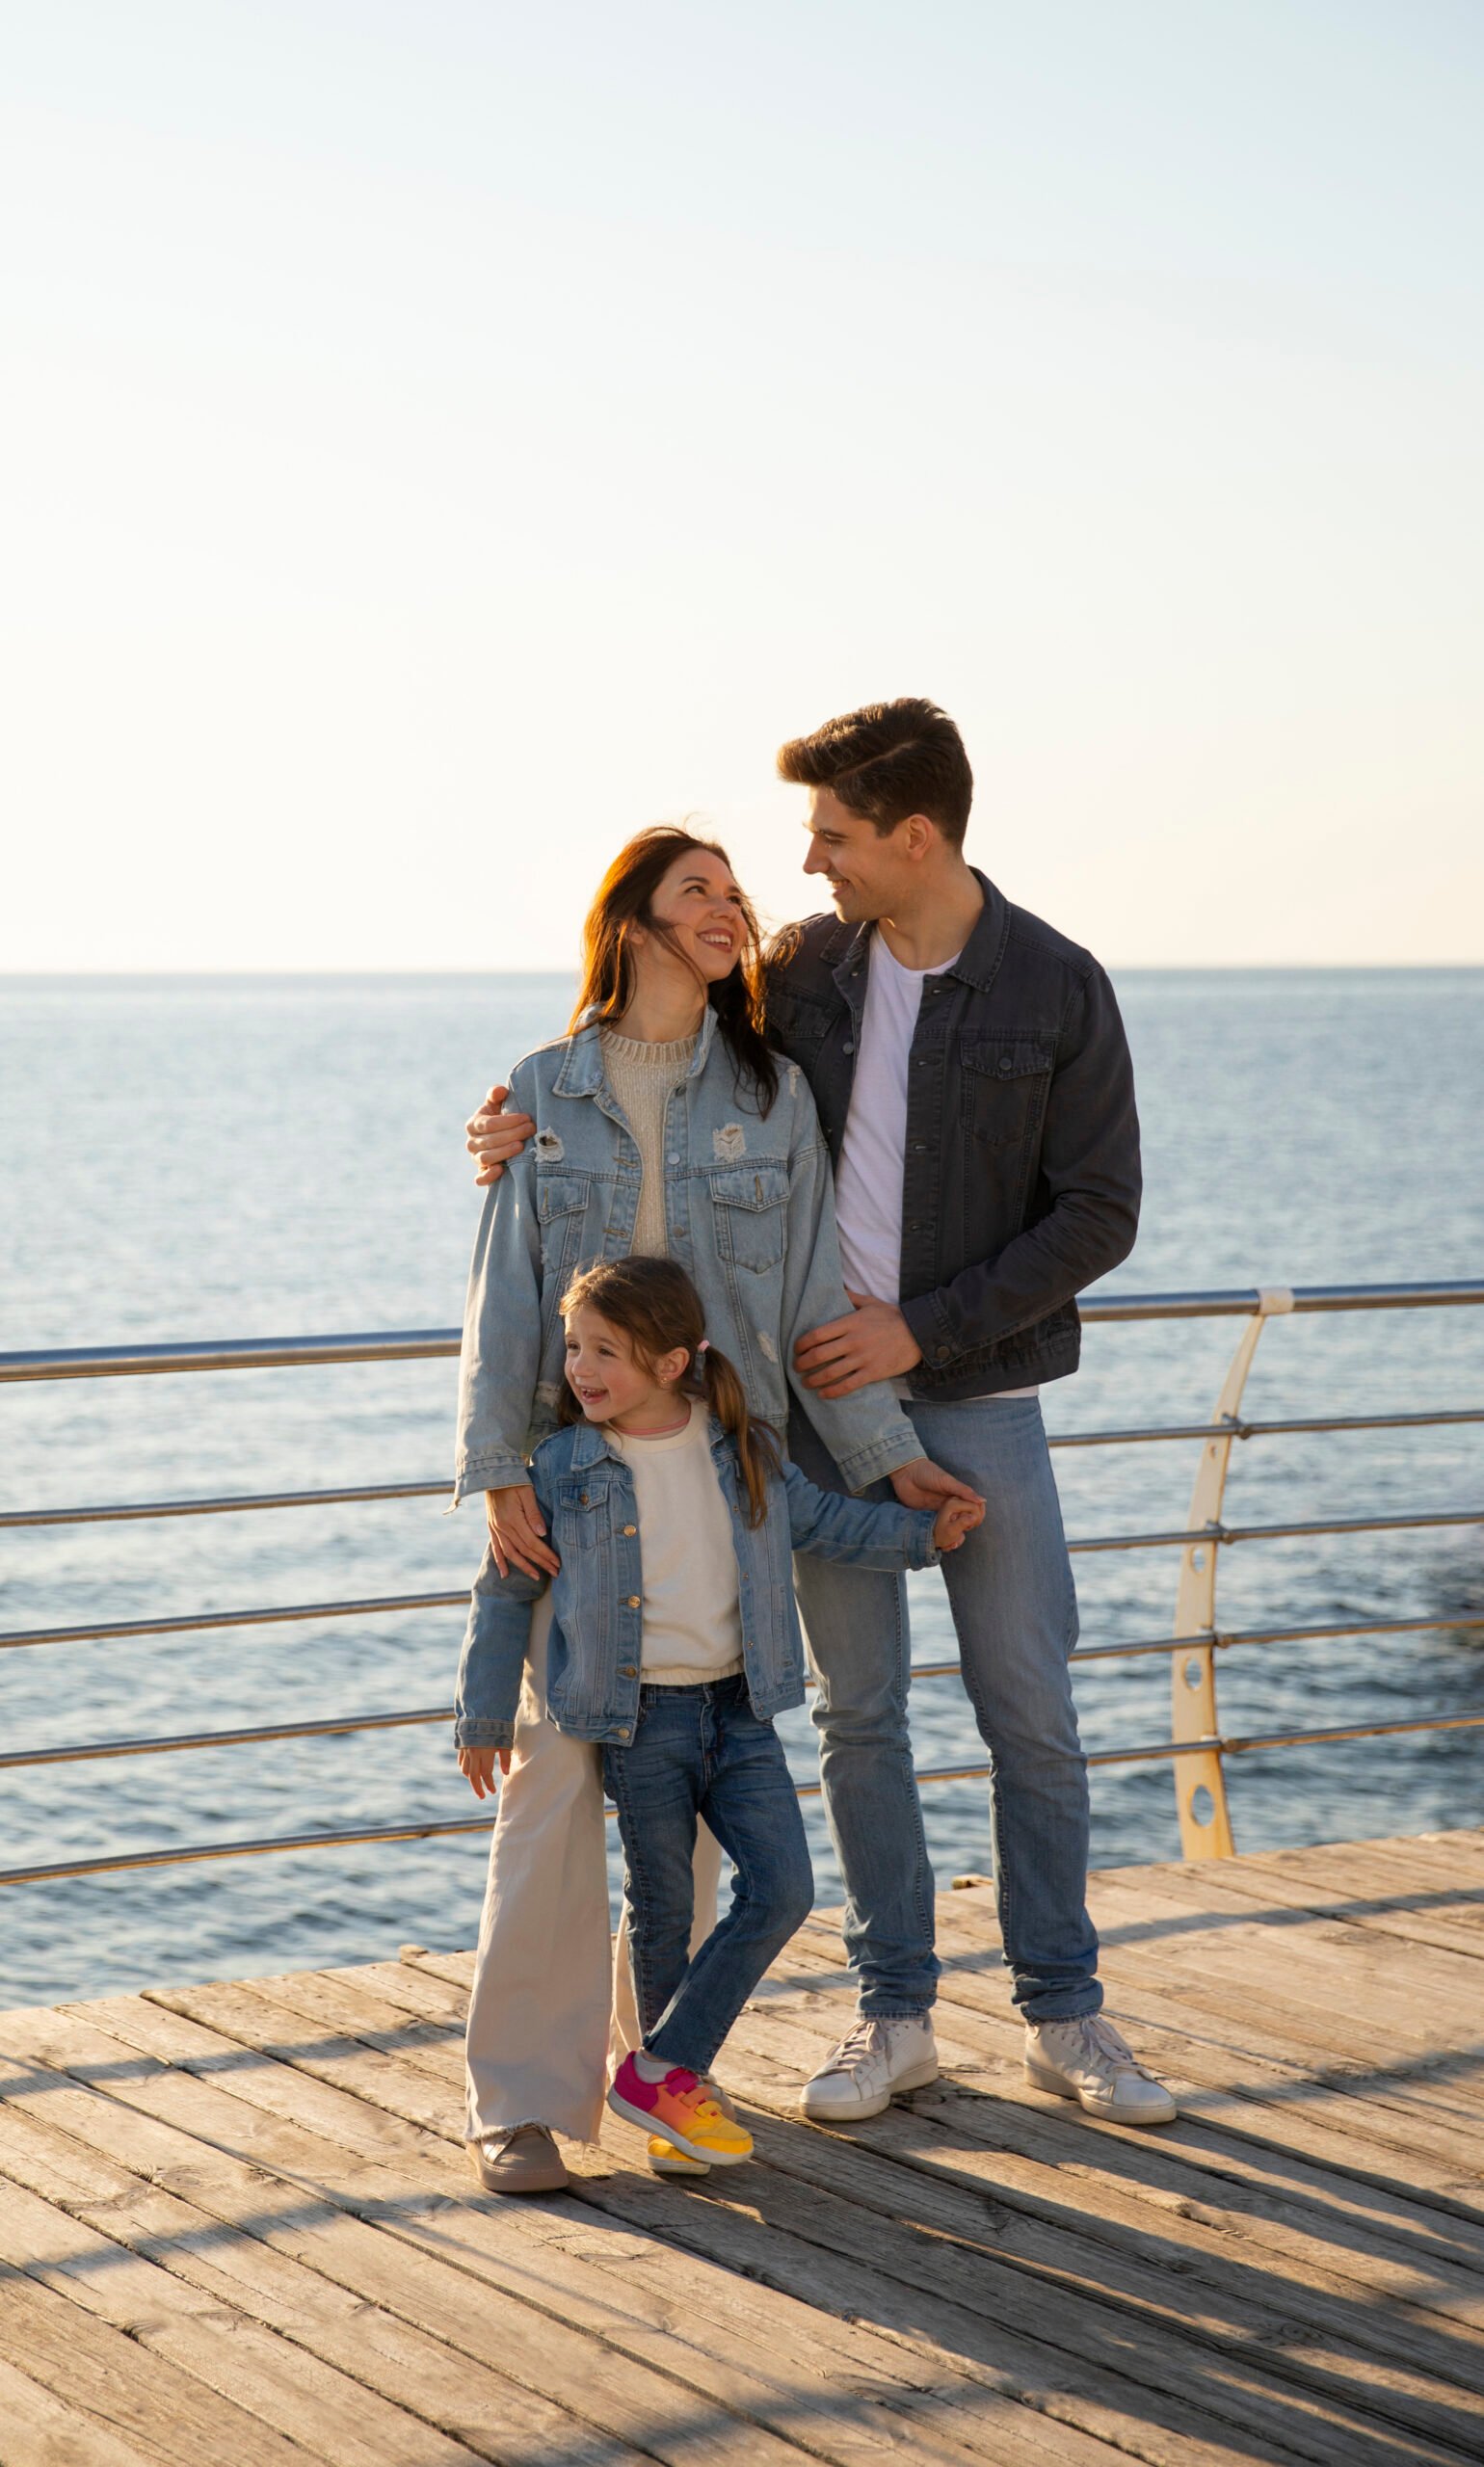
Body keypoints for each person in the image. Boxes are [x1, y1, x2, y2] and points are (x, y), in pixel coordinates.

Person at [468, 698, 1178, 2132]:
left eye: (833, 838)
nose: (804, 869)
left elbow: (1102, 1211)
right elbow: (633, 1078)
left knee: (1029, 1706)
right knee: (857, 1718)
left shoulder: (1056, 986)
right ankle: (895, 2012)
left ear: (914, 836)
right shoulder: (808, 974)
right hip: (785, 1408)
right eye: (789, 848)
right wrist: (503, 1128)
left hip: (967, 1393)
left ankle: (1065, 2010)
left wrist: (921, 1329)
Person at [453, 821, 976, 2194]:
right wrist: (500, 1467)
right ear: (630, 922)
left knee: (679, 1820)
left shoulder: (770, 1091)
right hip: (573, 1490)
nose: (731, 910)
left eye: (737, 895)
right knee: (553, 1795)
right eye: (700, 892)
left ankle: (666, 2084)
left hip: (723, 1484)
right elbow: (506, 1298)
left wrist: (882, 1454)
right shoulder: (543, 1091)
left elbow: (808, 1298)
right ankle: (520, 2101)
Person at [458, 1256, 982, 2168]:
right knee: (662, 1914)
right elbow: (505, 1589)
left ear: (669, 1365)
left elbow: (822, 1524)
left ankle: (661, 2069)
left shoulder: (743, 1449)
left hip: (740, 1717)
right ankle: (676, 2103)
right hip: (641, 1725)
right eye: (574, 1347)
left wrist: (920, 1534)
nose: (579, 1369)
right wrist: (484, 1713)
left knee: (785, 1888)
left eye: (604, 1353)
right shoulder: (562, 1464)